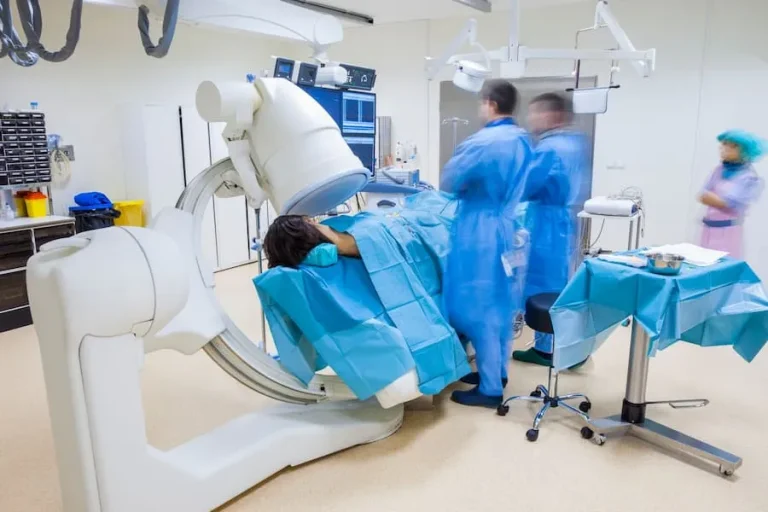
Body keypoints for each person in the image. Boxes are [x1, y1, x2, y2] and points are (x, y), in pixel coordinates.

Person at [441, 79, 533, 408]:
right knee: (500, 304)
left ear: (490, 103)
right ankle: (497, 372)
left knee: (478, 305)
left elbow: (450, 181)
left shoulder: (483, 141)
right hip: (508, 227)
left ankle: (490, 389)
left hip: (480, 232)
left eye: (482, 103)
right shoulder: (522, 140)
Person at [512, 92, 588, 368]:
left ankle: (546, 350)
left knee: (541, 285)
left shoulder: (548, 148)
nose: (530, 119)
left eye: (535, 113)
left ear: (552, 115)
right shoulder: (575, 143)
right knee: (558, 284)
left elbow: (526, 186)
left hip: (545, 226)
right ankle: (569, 345)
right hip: (561, 223)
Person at [699, 130, 765, 258]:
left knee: (723, 265)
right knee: (702, 263)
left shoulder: (749, 177)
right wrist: (718, 200)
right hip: (708, 229)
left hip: (728, 233)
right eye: (724, 144)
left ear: (745, 151)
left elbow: (731, 203)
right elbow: (703, 195)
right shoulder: (718, 170)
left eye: (732, 146)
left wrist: (718, 200)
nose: (725, 149)